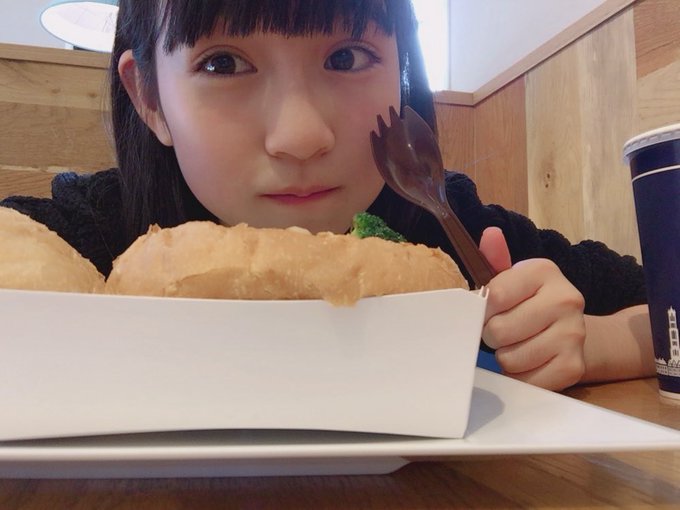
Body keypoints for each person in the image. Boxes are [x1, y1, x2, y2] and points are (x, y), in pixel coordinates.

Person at [0, 0, 655, 391]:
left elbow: (663, 311)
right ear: (149, 98)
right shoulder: (97, 238)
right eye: (223, 63)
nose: (301, 135)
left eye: (347, 57)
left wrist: (585, 344)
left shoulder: (445, 225)